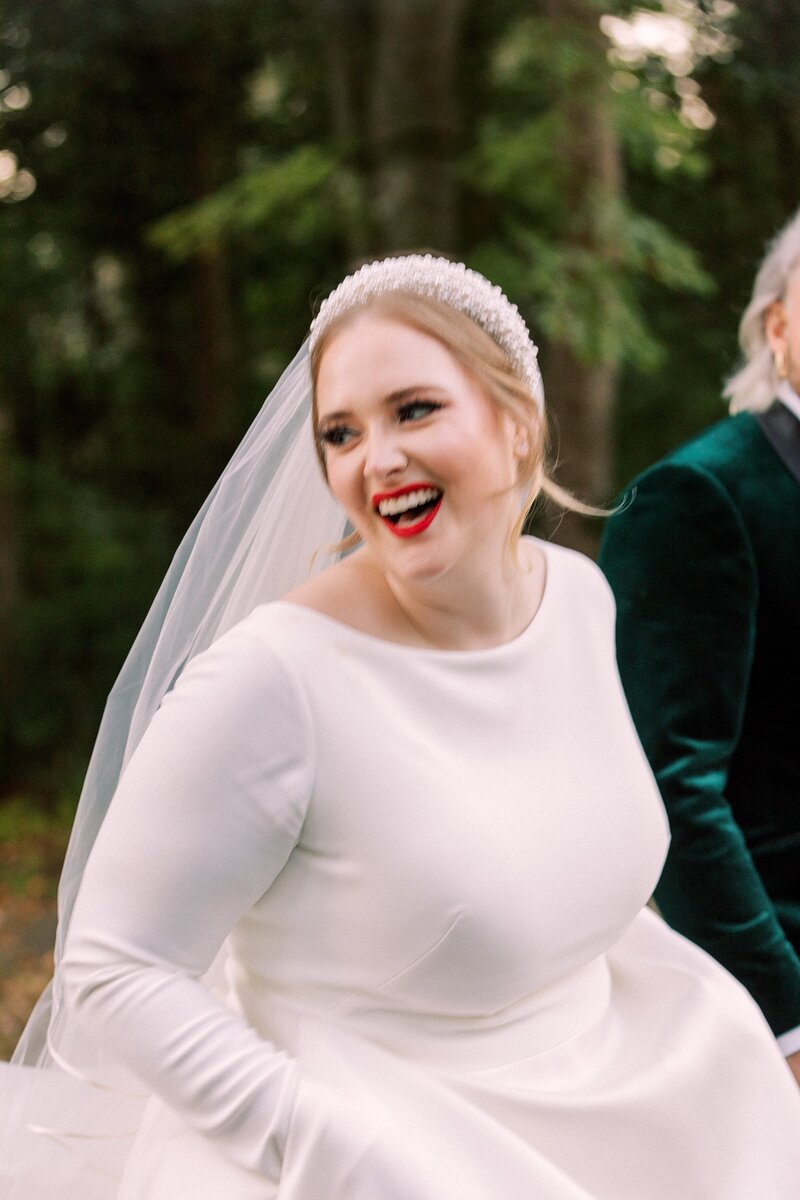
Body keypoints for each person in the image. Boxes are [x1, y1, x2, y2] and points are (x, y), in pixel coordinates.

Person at [1, 254, 799, 1200]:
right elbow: (112, 969)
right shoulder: (272, 682)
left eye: (413, 410)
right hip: (372, 1150)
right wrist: (323, 1145)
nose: (374, 459)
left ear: (518, 426)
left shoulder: (582, 602)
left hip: (618, 1109)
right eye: (341, 432)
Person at [599, 210, 800, 1088]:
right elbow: (671, 785)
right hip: (765, 998)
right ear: (778, 324)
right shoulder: (696, 496)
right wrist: (786, 1025)